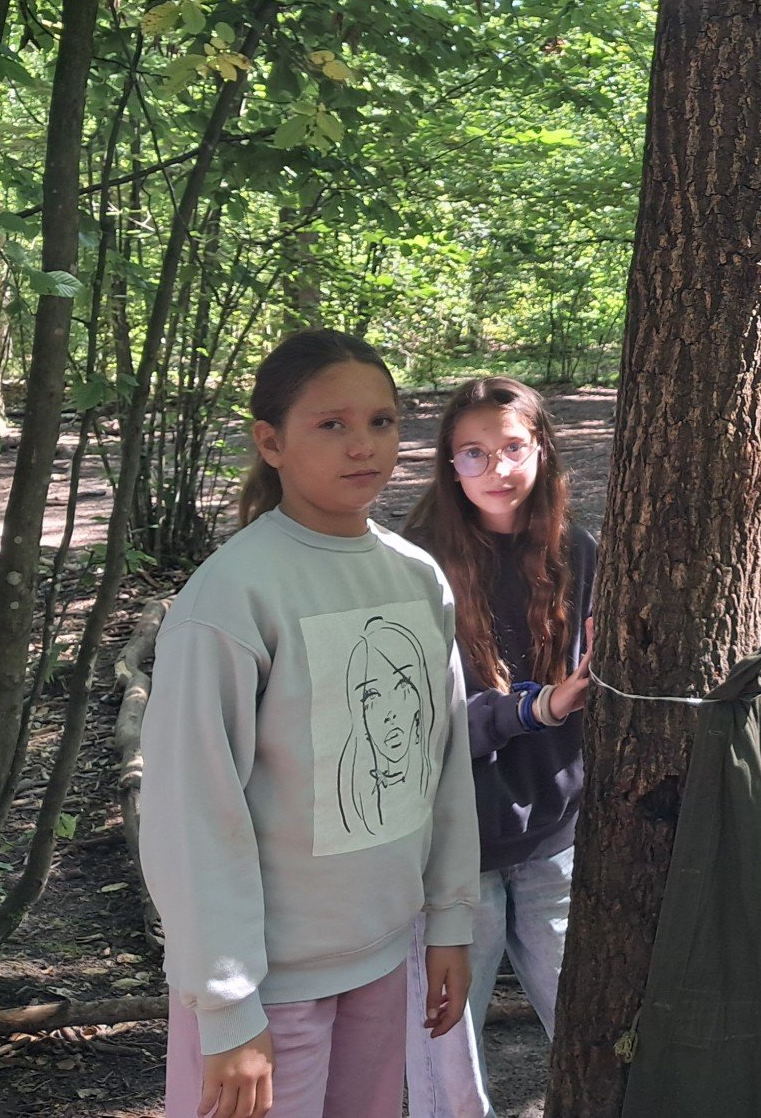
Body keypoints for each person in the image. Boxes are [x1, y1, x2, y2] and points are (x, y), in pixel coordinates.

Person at [140, 329, 478, 1118]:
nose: (364, 445)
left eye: (382, 422)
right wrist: (227, 1002)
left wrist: (449, 923)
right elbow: (193, 809)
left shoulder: (415, 577)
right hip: (268, 987)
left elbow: (443, 764)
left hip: (384, 956)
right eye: (332, 424)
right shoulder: (234, 595)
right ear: (271, 442)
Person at [401, 377, 597, 1118]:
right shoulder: (414, 563)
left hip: (554, 833)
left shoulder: (577, 552)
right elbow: (423, 717)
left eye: (514, 447)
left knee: (591, 1027)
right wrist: (536, 708)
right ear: (450, 466)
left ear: (542, 449)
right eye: (473, 454)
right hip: (451, 848)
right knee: (444, 1050)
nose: (498, 469)